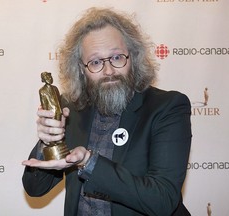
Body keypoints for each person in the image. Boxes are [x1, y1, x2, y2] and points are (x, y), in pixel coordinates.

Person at [22, 7, 192, 216]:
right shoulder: (71, 108)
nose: (109, 70)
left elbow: (162, 200)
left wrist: (89, 163)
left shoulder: (167, 107)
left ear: (134, 57)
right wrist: (48, 142)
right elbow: (34, 189)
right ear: (81, 70)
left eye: (117, 57)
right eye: (95, 62)